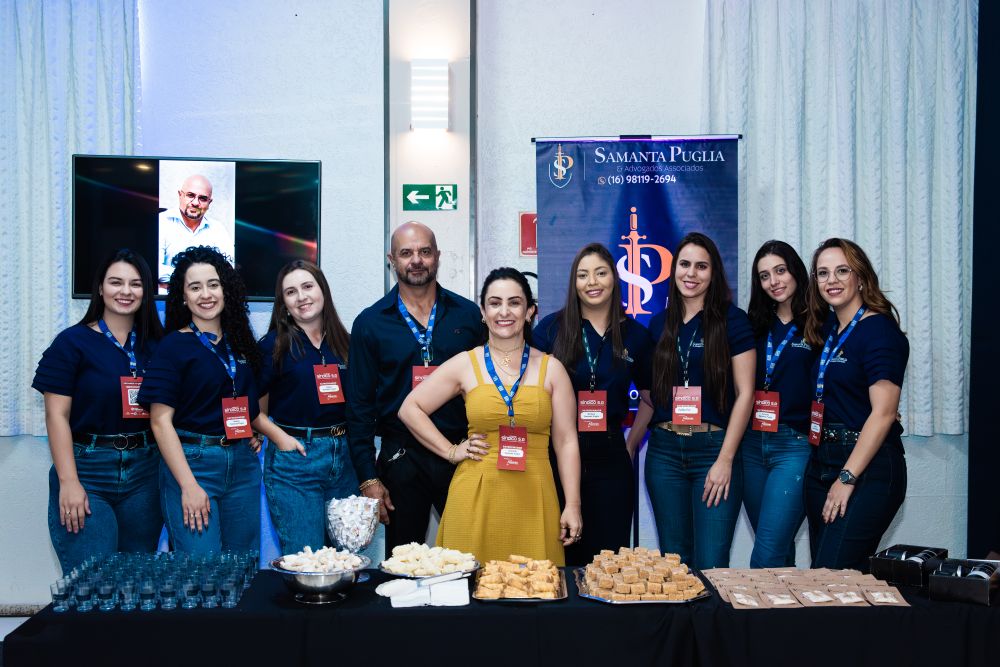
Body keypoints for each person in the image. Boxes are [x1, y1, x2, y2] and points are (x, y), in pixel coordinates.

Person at [399, 268, 582, 564]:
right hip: (475, 494)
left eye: (514, 302)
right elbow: (410, 408)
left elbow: (566, 442)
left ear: (530, 312)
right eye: (495, 303)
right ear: (483, 313)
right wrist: (450, 451)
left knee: (536, 587)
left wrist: (573, 504)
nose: (504, 311)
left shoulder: (552, 369)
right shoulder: (465, 364)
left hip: (535, 497)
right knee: (471, 588)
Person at [138, 245, 293, 553]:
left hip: (242, 465)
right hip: (194, 464)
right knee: (202, 568)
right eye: (195, 287)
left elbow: (248, 408)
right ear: (183, 296)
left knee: (243, 565)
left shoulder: (240, 343)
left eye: (213, 284)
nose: (206, 294)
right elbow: (159, 422)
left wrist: (272, 436)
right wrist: (188, 485)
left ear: (226, 290)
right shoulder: (173, 346)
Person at [347, 222, 483, 551]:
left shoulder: (468, 316)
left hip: (461, 455)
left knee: (468, 555)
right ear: (391, 259)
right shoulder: (370, 323)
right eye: (406, 253)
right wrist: (368, 477)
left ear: (437, 256)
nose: (416, 260)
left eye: (425, 251)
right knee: (404, 562)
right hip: (401, 458)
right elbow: (359, 407)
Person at [32, 249, 165, 572]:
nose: (125, 291)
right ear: (101, 289)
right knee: (92, 581)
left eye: (135, 284)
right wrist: (68, 481)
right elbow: (56, 416)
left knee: (136, 581)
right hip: (88, 471)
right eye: (116, 282)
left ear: (146, 291)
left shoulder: (157, 346)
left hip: (145, 474)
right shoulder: (71, 343)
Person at [635, 232, 755, 569]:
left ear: (713, 273)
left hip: (713, 451)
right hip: (664, 453)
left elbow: (746, 393)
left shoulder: (733, 320)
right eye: (685, 264)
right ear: (674, 269)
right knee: (674, 564)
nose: (691, 273)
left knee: (712, 563)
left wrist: (725, 459)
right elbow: (650, 392)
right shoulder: (659, 323)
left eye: (701, 266)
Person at [533, 243, 655, 564]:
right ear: (573, 282)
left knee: (608, 561)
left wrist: (631, 444)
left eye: (601, 273)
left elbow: (650, 398)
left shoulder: (635, 335)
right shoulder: (551, 329)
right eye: (583, 275)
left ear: (614, 278)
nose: (592, 282)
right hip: (556, 457)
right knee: (560, 558)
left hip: (610, 460)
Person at [803, 238, 908, 571]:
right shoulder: (830, 330)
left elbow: (884, 413)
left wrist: (847, 478)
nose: (831, 280)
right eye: (823, 273)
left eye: (842, 271)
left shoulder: (879, 330)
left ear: (861, 277)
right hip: (821, 463)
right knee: (829, 579)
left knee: (831, 577)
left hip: (866, 469)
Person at [257, 260, 358, 554]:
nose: (301, 297)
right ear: (284, 303)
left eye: (307, 287)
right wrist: (280, 438)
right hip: (296, 461)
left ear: (322, 290)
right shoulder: (273, 345)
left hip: (344, 460)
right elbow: (250, 408)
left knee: (346, 560)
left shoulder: (346, 343)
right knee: (307, 560)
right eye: (291, 292)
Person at [740, 240, 817, 567]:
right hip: (751, 445)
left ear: (796, 271)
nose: (774, 281)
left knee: (766, 554)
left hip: (794, 446)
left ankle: (753, 603)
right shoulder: (753, 326)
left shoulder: (820, 323)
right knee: (778, 549)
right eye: (764, 275)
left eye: (780, 270)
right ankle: (785, 602)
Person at [158, 174, 234, 292]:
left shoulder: (218, 229)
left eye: (202, 198)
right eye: (190, 195)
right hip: (167, 300)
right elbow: (154, 268)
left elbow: (228, 270)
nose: (195, 203)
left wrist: (176, 282)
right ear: (180, 195)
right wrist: (203, 280)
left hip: (206, 299)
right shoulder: (160, 222)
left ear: (209, 202)